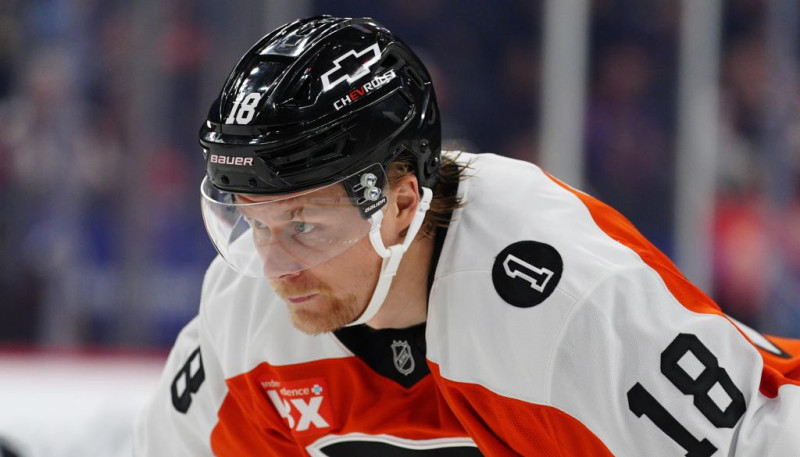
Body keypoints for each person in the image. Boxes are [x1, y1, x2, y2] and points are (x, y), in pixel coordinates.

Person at [135, 16, 800, 456]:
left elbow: (757, 439)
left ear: (400, 202)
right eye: (254, 223)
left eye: (304, 224)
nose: (276, 266)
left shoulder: (560, 301)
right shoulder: (244, 312)